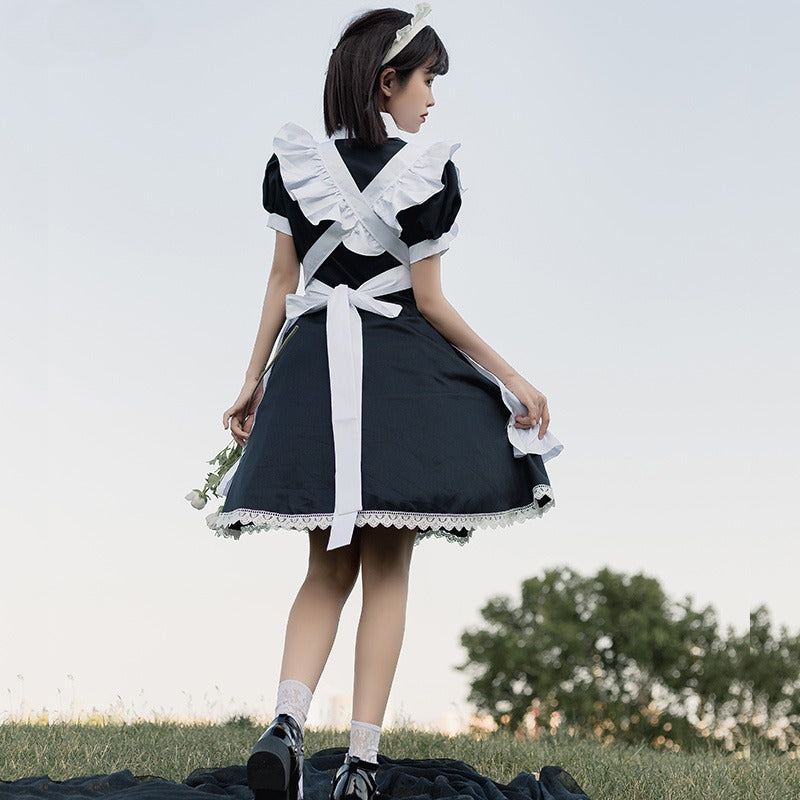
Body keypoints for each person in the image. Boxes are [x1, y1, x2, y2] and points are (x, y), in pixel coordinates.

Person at [204, 4, 564, 800]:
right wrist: (515, 379)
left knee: (324, 569)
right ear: (386, 81)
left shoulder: (292, 161)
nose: (432, 97)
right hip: (396, 379)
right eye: (427, 78)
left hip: (311, 375)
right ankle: (360, 765)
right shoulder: (428, 170)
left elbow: (281, 282)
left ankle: (286, 727)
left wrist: (253, 378)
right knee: (389, 570)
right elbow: (430, 302)